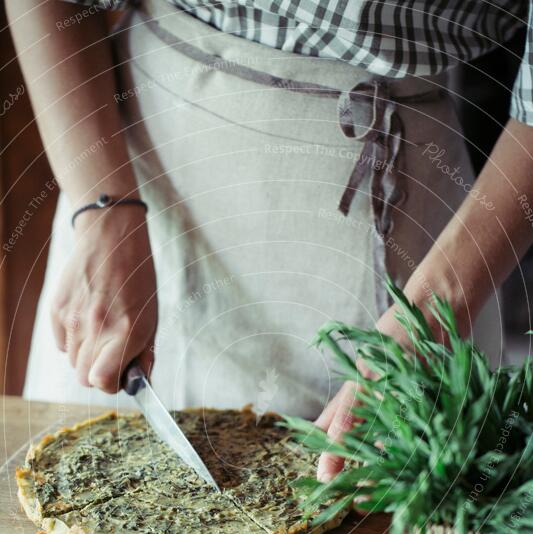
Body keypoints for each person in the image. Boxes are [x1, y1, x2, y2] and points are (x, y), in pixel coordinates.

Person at [7, 0, 533, 482]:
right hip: (130, 180)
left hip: (421, 253)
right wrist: (102, 210)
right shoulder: (107, 209)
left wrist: (436, 309)